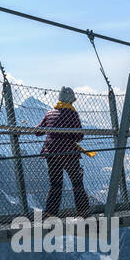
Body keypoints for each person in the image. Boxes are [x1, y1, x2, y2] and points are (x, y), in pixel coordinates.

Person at [36, 86, 90, 218]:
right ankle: (82, 212)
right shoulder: (72, 114)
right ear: (71, 101)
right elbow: (79, 136)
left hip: (51, 153)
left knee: (55, 184)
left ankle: (50, 213)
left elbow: (38, 132)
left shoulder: (49, 113)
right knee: (76, 182)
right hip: (69, 154)